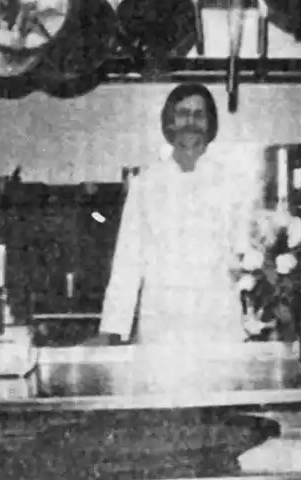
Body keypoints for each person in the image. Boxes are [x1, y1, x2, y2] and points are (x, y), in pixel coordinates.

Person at [98, 82, 250, 346]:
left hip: (217, 323)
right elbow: (127, 261)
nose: (190, 122)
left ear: (210, 124)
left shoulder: (232, 182)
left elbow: (246, 255)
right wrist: (114, 328)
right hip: (162, 326)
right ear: (169, 123)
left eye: (199, 114)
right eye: (182, 114)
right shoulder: (146, 184)